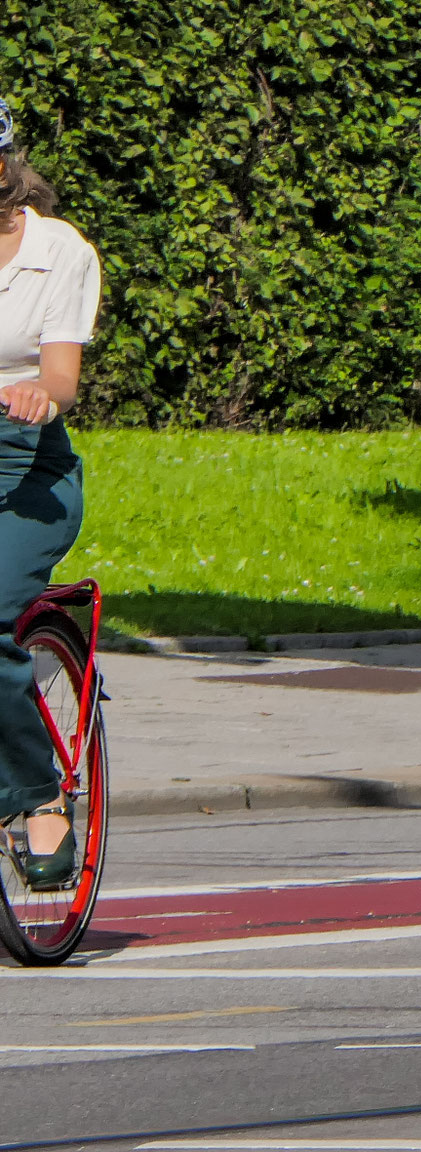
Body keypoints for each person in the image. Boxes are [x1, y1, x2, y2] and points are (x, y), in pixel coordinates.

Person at [0, 97, 98, 888]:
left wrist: (41, 394)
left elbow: (62, 373)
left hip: (28, 469)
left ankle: (39, 796)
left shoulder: (58, 251)